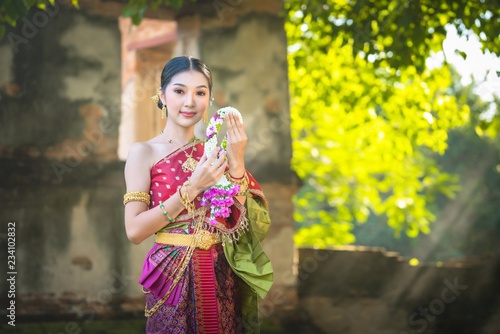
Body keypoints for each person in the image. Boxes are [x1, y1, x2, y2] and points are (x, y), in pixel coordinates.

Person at [123, 56, 273, 334]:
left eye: (200, 93)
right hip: (171, 273)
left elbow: (237, 227)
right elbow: (134, 230)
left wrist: (237, 162)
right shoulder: (143, 152)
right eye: (179, 91)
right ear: (162, 95)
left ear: (209, 100)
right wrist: (191, 189)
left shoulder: (216, 154)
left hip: (220, 274)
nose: (189, 102)